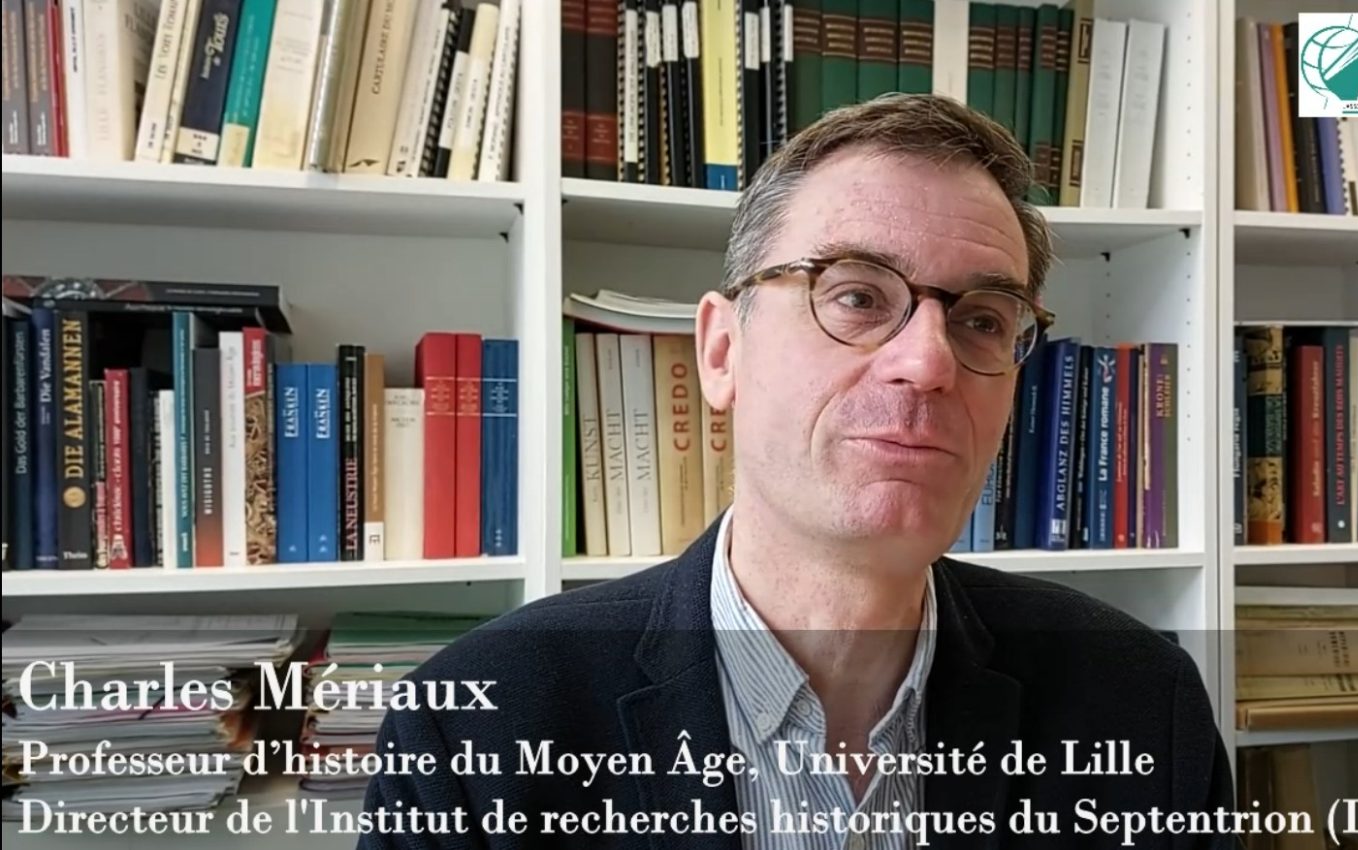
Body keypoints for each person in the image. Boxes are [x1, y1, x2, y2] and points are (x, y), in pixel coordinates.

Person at [359, 93, 1235, 849]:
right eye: (856, 295)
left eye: (982, 320)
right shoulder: (474, 726)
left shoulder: (1142, 703)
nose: (928, 363)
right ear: (721, 352)